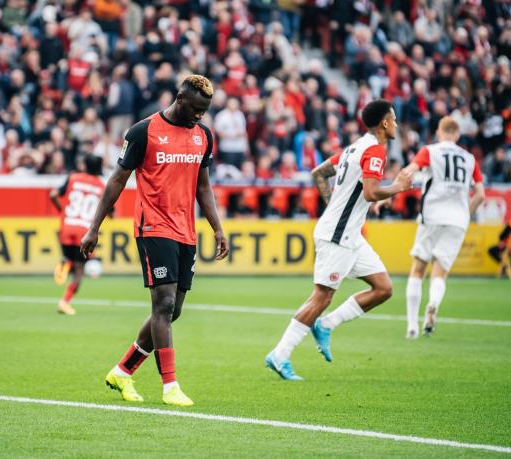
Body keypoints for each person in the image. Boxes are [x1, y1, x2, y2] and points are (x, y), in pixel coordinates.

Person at [80, 75, 229, 406]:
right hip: (153, 227)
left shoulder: (203, 136)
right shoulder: (143, 131)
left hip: (185, 230)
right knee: (163, 304)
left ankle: (122, 371)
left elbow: (203, 186)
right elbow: (117, 179)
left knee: (173, 310)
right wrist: (94, 227)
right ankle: (170, 386)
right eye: (196, 109)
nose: (199, 116)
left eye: (205, 111)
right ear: (180, 99)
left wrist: (217, 228)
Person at [265, 99, 412, 381]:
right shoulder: (374, 150)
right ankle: (280, 355)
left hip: (349, 234)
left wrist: (335, 205)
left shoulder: (355, 147)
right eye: (393, 119)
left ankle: (327, 325)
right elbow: (371, 192)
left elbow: (319, 173)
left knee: (383, 288)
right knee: (321, 297)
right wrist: (399, 187)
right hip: (338, 235)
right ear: (384, 123)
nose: (396, 124)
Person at [402, 117, 486, 339]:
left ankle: (412, 326)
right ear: (457, 135)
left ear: (439, 133)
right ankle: (433, 304)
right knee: (440, 272)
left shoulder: (430, 151)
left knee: (418, 269)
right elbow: (480, 195)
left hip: (432, 215)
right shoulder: (470, 159)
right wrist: (465, 213)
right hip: (457, 220)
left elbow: (410, 171)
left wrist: (391, 191)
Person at [50, 155, 106, 316]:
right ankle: (65, 302)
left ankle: (66, 262)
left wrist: (62, 211)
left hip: (67, 227)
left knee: (71, 259)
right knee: (80, 270)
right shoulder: (102, 186)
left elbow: (53, 195)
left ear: (85, 165)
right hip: (84, 233)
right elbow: (111, 212)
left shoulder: (73, 178)